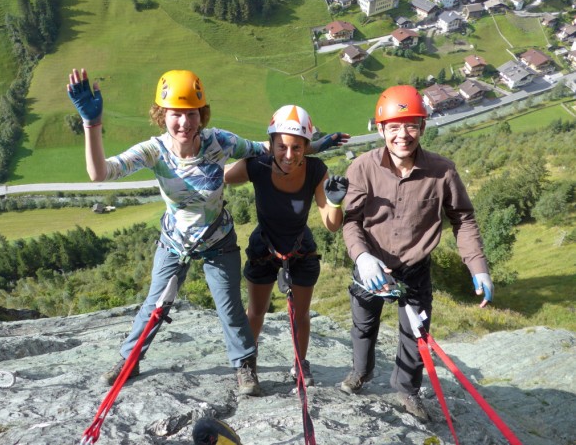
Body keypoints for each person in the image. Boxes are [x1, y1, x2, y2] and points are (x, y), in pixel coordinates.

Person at [66, 69, 344, 397]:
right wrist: (92, 125)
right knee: (156, 304)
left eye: (191, 114)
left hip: (218, 240)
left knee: (230, 307)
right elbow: (99, 174)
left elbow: (269, 150)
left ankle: (245, 366)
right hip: (175, 242)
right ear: (161, 115)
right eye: (175, 115)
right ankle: (130, 358)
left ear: (202, 114)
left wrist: (311, 147)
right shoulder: (154, 152)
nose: (184, 122)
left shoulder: (220, 142)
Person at [339, 85, 494, 421]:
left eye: (411, 126)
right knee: (363, 326)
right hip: (371, 267)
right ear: (381, 129)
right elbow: (350, 221)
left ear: (422, 128)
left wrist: (477, 266)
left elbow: (463, 219)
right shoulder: (362, 169)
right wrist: (362, 258)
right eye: (394, 127)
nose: (402, 135)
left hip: (414, 269)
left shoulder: (442, 171)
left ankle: (407, 391)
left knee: (416, 335)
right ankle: (361, 372)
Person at [224, 105, 349, 387]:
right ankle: (247, 362)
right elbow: (221, 178)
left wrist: (335, 202)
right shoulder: (257, 166)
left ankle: (300, 363)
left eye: (296, 148)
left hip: (299, 249)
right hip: (264, 249)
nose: (289, 156)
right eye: (281, 147)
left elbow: (331, 224)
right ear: (270, 145)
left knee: (301, 314)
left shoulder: (316, 170)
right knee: (256, 310)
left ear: (306, 147)